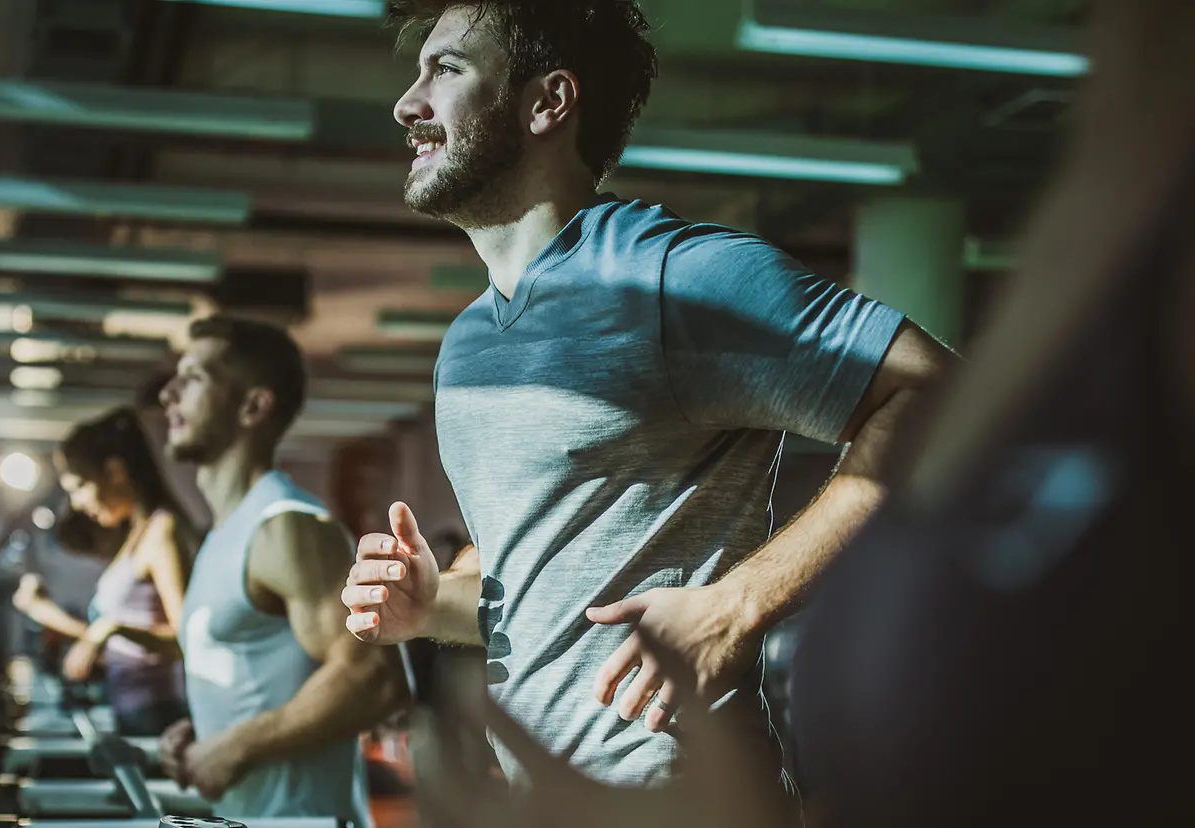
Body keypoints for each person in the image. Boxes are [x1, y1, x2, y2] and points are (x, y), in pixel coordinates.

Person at [341, 0, 953, 803]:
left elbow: (943, 398)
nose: (406, 102)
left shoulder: (677, 278)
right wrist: (433, 603)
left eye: (446, 69)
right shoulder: (469, 346)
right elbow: (533, 576)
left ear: (546, 103)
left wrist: (741, 605)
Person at [155, 316, 409, 828]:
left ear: (253, 406)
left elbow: (373, 679)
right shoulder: (227, 532)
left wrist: (235, 746)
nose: (168, 394)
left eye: (195, 378)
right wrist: (208, 733)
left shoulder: (286, 527)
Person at [12, 406, 199, 737]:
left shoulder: (161, 532)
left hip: (157, 718)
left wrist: (110, 628)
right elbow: (116, 642)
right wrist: (45, 612)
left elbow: (187, 640)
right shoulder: (136, 537)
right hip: (134, 713)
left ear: (115, 471)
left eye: (80, 486)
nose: (78, 502)